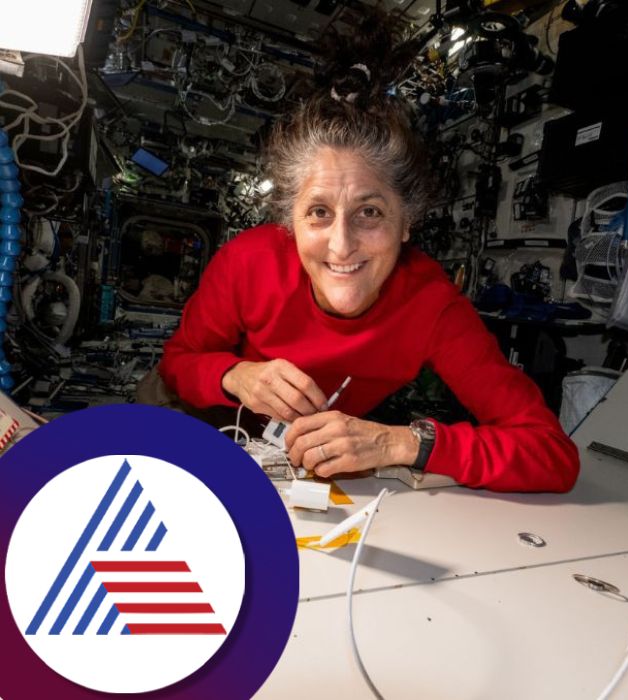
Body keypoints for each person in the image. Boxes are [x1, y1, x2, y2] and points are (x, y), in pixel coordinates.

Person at [151, 36, 579, 494]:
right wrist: (235, 375)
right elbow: (178, 363)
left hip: (303, 460)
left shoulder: (432, 305)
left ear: (406, 222)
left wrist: (402, 442)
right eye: (318, 213)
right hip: (205, 415)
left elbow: (551, 454)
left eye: (369, 213)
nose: (341, 245)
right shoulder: (246, 261)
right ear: (290, 222)